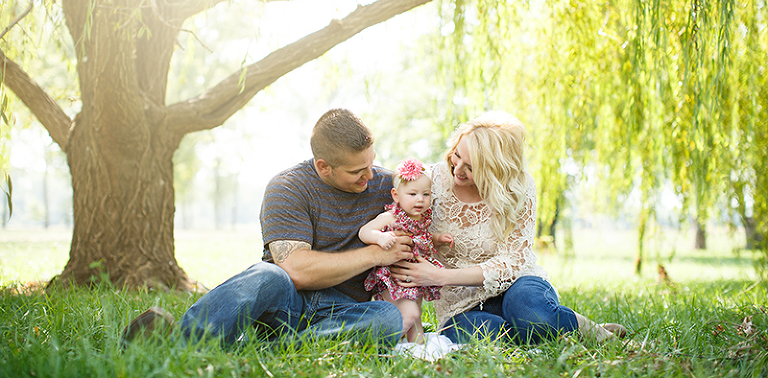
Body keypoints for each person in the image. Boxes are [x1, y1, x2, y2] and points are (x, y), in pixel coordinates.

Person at [121, 109, 412, 348]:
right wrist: (376, 255)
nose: (370, 176)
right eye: (356, 171)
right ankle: (182, 342)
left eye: (371, 163)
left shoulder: (389, 187)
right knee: (267, 274)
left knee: (386, 318)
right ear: (324, 167)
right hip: (285, 303)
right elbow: (296, 270)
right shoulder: (288, 187)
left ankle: (259, 351)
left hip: (344, 311)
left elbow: (437, 194)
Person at [389, 112, 627, 345]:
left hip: (517, 285)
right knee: (486, 336)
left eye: (471, 167)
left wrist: (441, 276)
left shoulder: (519, 187)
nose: (458, 169)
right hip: (461, 304)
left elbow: (513, 261)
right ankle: (556, 329)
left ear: (494, 169)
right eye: (457, 155)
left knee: (534, 317)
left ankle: (575, 327)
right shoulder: (432, 181)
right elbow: (404, 218)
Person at [359, 158, 453, 343]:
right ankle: (377, 344)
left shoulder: (421, 219)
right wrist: (381, 237)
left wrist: (438, 238)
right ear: (396, 195)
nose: (420, 199)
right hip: (394, 279)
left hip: (414, 279)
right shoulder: (391, 217)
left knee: (416, 321)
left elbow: (421, 238)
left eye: (426, 194)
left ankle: (415, 348)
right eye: (412, 194)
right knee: (409, 314)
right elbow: (364, 232)